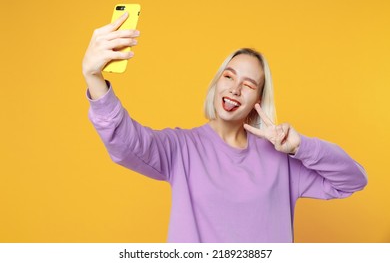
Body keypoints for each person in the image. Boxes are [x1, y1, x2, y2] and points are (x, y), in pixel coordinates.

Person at [82, 13, 368, 242]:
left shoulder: (281, 158)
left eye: (248, 84)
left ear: (258, 99)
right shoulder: (182, 149)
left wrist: (300, 146)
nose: (234, 89)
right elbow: (125, 143)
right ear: (216, 83)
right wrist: (94, 77)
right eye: (228, 77)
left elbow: (352, 180)